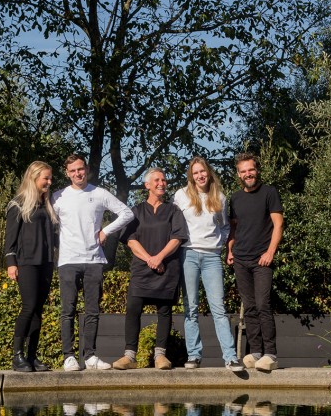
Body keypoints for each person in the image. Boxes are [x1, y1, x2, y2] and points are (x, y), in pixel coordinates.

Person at [51, 153, 133, 372]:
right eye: (73, 171)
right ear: (67, 173)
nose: (78, 173)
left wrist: (106, 231)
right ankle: (68, 356)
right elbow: (47, 223)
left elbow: (127, 213)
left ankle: (90, 356)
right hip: (68, 260)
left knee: (92, 311)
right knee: (68, 310)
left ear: (86, 169)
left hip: (94, 260)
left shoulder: (99, 193)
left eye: (80, 169)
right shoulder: (58, 197)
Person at [112, 168, 187, 370]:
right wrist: (149, 259)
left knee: (164, 311)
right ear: (147, 185)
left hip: (166, 269)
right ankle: (130, 356)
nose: (161, 183)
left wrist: (160, 257)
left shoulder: (173, 210)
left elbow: (177, 238)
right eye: (156, 180)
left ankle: (160, 356)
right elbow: (130, 240)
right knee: (133, 309)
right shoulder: (135, 211)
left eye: (163, 179)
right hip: (141, 270)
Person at [173, 157, 243, 371]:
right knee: (190, 308)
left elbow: (224, 227)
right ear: (191, 176)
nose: (200, 176)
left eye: (202, 171)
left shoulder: (219, 197)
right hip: (189, 255)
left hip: (212, 258)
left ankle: (230, 357)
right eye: (195, 173)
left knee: (219, 308)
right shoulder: (181, 195)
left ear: (208, 173)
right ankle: (194, 355)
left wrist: (219, 244)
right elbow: (174, 224)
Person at [226, 153, 283, 372]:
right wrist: (230, 250)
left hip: (262, 259)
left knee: (262, 305)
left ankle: (270, 354)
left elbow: (278, 225)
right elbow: (234, 227)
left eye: (250, 169)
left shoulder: (269, 193)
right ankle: (256, 351)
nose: (247, 174)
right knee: (249, 307)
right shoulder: (236, 198)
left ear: (256, 170)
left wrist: (270, 252)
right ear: (239, 174)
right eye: (243, 171)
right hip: (240, 259)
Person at [4, 161, 57, 372]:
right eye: (46, 178)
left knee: (38, 310)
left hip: (46, 262)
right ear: (34, 178)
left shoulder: (47, 204)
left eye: (50, 178)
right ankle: (17, 356)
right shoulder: (17, 204)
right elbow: (10, 239)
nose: (49, 182)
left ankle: (32, 355)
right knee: (29, 306)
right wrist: (11, 263)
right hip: (26, 262)